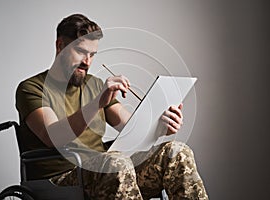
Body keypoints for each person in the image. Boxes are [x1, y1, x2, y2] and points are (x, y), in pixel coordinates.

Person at [16, 13, 209, 199]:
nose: (87, 62)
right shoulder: (32, 88)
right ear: (60, 46)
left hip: (107, 172)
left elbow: (132, 129)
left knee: (177, 152)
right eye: (81, 52)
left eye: (92, 54)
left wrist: (161, 127)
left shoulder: (95, 85)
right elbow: (54, 136)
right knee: (116, 162)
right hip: (60, 179)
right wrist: (98, 102)